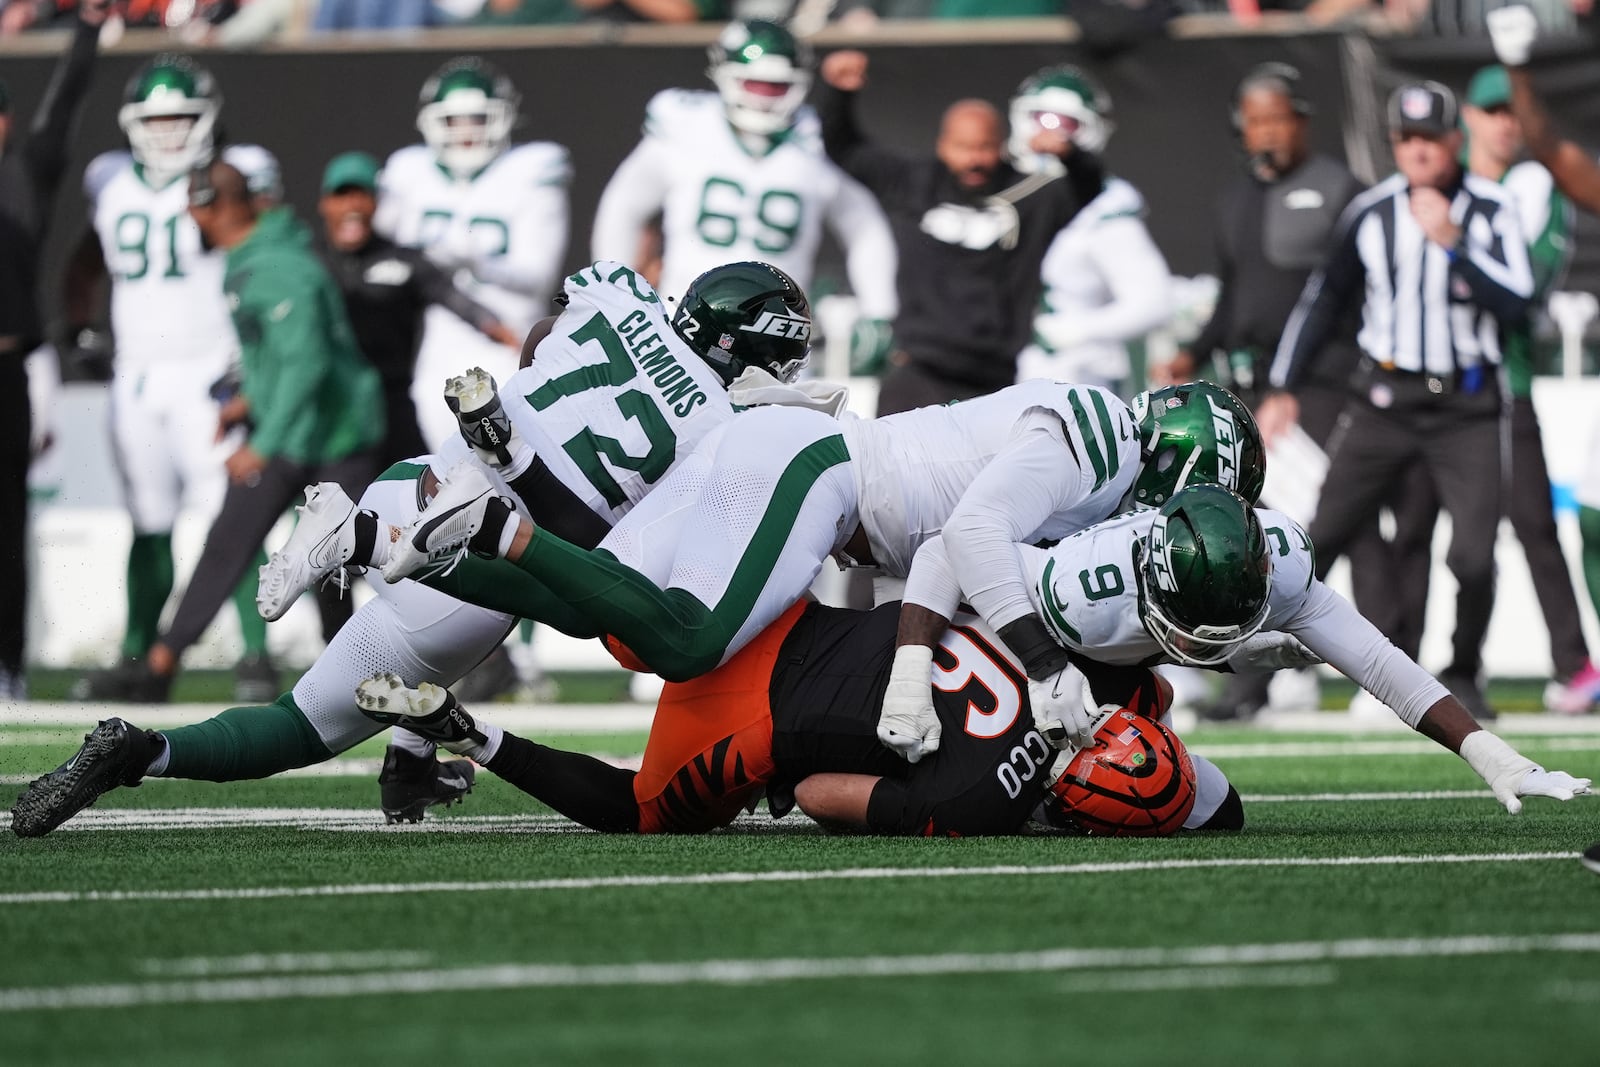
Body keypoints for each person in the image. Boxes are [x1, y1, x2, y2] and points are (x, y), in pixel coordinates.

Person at [9, 259, 829, 835]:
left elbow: (545, 337)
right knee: (588, 595)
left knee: (338, 696)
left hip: (425, 478)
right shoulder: (725, 429)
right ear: (744, 344)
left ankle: (376, 631)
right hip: (477, 580)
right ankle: (146, 751)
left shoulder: (618, 299)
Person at [381, 377, 1263, 761]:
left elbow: (947, 560)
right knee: (681, 641)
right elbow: (972, 534)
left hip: (826, 482)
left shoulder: (1100, 457)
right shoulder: (1099, 444)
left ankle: (388, 542)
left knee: (606, 614)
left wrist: (916, 670)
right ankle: (502, 512)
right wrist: (1039, 663)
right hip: (821, 477)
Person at [888, 484, 1593, 815]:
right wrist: (922, 675)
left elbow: (1381, 664)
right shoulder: (1081, 587)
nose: (1206, 646)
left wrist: (1492, 755)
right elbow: (948, 552)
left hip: (1122, 669)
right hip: (1028, 649)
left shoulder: (1280, 564)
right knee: (975, 801)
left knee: (1211, 810)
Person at [346, 602, 1208, 838]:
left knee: (604, 597)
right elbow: (832, 792)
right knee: (638, 808)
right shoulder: (986, 803)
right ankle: (469, 731)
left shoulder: (1082, 665)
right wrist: (786, 784)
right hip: (758, 713)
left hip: (776, 608)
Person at [1258, 81, 1534, 722]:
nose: (1418, 151)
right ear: (1394, 144)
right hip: (1383, 399)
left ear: (1453, 140)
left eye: (1429, 138)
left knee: (1470, 554)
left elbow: (1520, 305)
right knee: (1316, 537)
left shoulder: (1492, 208)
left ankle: (1464, 670)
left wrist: (1455, 244)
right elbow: (1323, 300)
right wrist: (1282, 387)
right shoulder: (1370, 210)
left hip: (1467, 405)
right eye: (1406, 139)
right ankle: (1255, 677)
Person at [1161, 62, 1419, 721]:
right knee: (1254, 532)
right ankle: (1257, 677)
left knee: (1348, 520)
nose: (1267, 134)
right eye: (1255, 123)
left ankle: (1388, 669)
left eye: (1277, 119)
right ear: (1240, 130)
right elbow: (1232, 296)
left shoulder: (1340, 192)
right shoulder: (1236, 198)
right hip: (1249, 389)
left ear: (1300, 120)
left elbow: (1355, 299)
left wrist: (1302, 383)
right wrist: (1194, 350)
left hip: (1318, 388)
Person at [117, 160, 385, 699]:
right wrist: (249, 401)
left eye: (194, 208)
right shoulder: (256, 256)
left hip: (335, 436)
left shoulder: (278, 267)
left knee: (333, 558)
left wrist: (261, 443)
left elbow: (308, 363)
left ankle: (360, 672)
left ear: (208, 208)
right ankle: (161, 663)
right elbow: (281, 357)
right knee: (232, 540)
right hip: (297, 426)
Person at [67, 55, 283, 704]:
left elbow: (267, 250)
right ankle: (139, 652)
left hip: (210, 367)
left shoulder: (236, 172)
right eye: (155, 120)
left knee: (237, 516)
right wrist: (78, 323)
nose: (167, 132)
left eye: (181, 118)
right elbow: (83, 262)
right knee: (148, 519)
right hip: (138, 373)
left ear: (208, 119)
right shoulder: (109, 181)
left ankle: (254, 655)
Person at [591, 18, 898, 374]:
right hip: (684, 324)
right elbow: (623, 206)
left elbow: (865, 226)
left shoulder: (816, 138)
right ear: (723, 74)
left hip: (779, 339)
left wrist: (879, 310)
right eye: (753, 83)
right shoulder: (686, 126)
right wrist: (613, 290)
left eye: (776, 87)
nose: (762, 97)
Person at [814, 48, 1105, 414]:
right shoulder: (913, 183)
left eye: (984, 147)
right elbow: (844, 148)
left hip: (993, 384)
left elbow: (1088, 189)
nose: (974, 159)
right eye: (963, 147)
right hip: (917, 373)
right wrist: (838, 93)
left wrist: (1071, 155)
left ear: (1000, 146)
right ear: (942, 144)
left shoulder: (1030, 195)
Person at [1458, 64, 1596, 712]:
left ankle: (1573, 663)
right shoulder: (1438, 178)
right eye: (1492, 110)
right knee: (1411, 533)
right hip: (1418, 390)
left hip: (1503, 380)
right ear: (1469, 116)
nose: (1503, 122)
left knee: (1533, 525)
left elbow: (1530, 285)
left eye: (1512, 110)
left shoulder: (1536, 185)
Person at [376, 56, 570, 454]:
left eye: (477, 118)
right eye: (453, 120)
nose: (465, 132)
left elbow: (539, 275)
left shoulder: (530, 170)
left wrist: (475, 261)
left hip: (509, 341)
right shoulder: (408, 172)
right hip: (434, 349)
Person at [0, 0, 104, 700]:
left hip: (6, 368)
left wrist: (89, 31)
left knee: (7, 529)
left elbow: (61, 110)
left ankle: (8, 664)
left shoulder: (23, 178)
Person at [316, 150, 520, 467]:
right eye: (342, 196)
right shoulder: (309, 266)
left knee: (426, 491)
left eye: (361, 196)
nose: (352, 206)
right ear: (325, 204)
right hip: (330, 409)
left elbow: (456, 300)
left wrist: (505, 334)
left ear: (376, 203)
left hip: (391, 406)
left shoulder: (403, 261)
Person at [1010, 65, 1173, 395]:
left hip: (1070, 377)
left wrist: (1074, 329)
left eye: (1066, 124)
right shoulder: (1000, 190)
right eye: (1041, 118)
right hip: (993, 370)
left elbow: (1155, 301)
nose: (1049, 135)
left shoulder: (1102, 208)